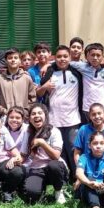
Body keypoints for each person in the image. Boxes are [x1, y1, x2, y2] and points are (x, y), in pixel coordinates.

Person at [37, 45, 83, 179]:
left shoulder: (77, 72)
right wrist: (44, 86)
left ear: (70, 57)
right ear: (54, 58)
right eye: (59, 57)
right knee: (58, 150)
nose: (62, 59)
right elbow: (38, 93)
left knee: (74, 149)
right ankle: (62, 179)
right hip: (54, 119)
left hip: (73, 119)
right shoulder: (49, 72)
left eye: (65, 56)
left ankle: (77, 178)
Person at [20, 103, 69, 204]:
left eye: (39, 113)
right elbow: (24, 155)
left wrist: (42, 143)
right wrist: (15, 159)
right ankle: (40, 188)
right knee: (31, 195)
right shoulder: (28, 133)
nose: (36, 116)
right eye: (33, 114)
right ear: (29, 118)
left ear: (45, 116)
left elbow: (56, 156)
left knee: (53, 165)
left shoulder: (54, 131)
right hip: (37, 168)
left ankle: (58, 190)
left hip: (54, 167)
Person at [73, 103, 104, 169]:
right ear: (89, 116)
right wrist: (80, 169)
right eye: (93, 114)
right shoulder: (83, 129)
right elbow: (77, 153)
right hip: (88, 168)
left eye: (99, 113)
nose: (97, 116)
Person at [70, 43, 104, 121]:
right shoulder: (83, 67)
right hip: (87, 108)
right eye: (92, 55)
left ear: (103, 56)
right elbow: (64, 62)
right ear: (87, 57)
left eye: (98, 55)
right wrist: (47, 66)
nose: (95, 58)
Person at [0, 48, 37, 115]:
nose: (13, 60)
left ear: (20, 61)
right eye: (10, 58)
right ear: (6, 61)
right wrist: (4, 111)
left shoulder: (26, 78)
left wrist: (25, 111)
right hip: (5, 117)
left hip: (23, 117)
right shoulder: (0, 79)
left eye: (15, 58)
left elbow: (33, 99)